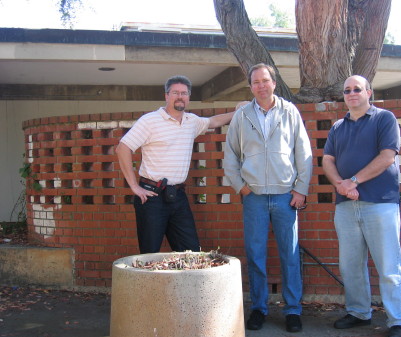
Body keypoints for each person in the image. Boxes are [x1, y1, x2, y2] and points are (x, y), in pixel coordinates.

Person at [224, 63, 312, 333]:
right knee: (256, 255)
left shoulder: (290, 112)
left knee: (290, 255)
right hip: (255, 199)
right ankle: (259, 309)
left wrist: (300, 190)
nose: (261, 86)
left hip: (286, 196)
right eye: (255, 82)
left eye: (265, 80)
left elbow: (304, 153)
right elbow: (230, 156)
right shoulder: (242, 116)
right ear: (250, 86)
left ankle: (293, 310)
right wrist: (242, 187)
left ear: (274, 83)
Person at [322, 75, 401, 337]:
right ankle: (359, 313)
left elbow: (387, 157)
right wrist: (341, 184)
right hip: (346, 205)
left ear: (368, 92)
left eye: (357, 89)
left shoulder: (385, 118)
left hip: (380, 204)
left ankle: (397, 321)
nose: (351, 93)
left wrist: (354, 181)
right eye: (347, 90)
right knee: (350, 265)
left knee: (389, 266)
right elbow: (328, 160)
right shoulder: (338, 126)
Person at [116, 75, 235, 254]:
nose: (180, 96)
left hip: (178, 196)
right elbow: (122, 148)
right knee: (150, 254)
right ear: (166, 96)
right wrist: (134, 186)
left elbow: (214, 121)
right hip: (151, 196)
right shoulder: (150, 121)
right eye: (175, 93)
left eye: (184, 93)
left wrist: (239, 112)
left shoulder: (191, 122)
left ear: (188, 97)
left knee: (190, 252)